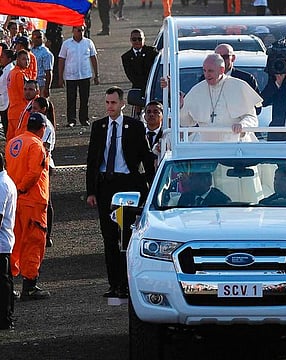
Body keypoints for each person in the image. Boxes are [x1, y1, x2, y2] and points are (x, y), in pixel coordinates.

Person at [86, 87, 152, 299]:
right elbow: (92, 161)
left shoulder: (134, 126)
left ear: (122, 104)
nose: (109, 107)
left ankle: (126, 284)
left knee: (126, 236)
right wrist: (91, 191)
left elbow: (145, 157)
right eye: (107, 102)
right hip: (106, 186)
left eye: (113, 103)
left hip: (127, 187)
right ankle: (114, 284)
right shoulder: (99, 127)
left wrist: (152, 188)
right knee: (109, 237)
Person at [5, 112, 50, 300]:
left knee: (14, 243)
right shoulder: (36, 145)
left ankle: (8, 286)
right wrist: (22, 189)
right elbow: (33, 173)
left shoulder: (13, 142)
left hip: (15, 201)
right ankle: (29, 286)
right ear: (42, 128)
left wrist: (16, 191)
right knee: (33, 242)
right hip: (31, 201)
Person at [180, 54, 262, 142]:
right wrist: (181, 108)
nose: (207, 75)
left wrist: (242, 125)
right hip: (206, 146)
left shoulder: (238, 86)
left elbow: (252, 117)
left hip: (236, 145)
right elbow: (186, 122)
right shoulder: (197, 90)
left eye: (210, 71)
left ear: (221, 70)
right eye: (204, 71)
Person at [58, 25, 99, 128]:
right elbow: (61, 60)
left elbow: (93, 58)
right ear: (73, 30)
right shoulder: (66, 44)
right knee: (71, 99)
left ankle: (84, 119)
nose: (81, 32)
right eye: (79, 30)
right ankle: (71, 120)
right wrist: (60, 77)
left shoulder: (88, 42)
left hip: (85, 75)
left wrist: (96, 75)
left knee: (84, 99)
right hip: (71, 75)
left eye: (82, 30)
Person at [32, 97, 56, 248]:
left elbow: (44, 149)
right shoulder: (35, 121)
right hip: (36, 164)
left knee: (45, 201)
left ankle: (47, 235)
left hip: (44, 165)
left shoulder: (45, 126)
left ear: (43, 109)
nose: (32, 110)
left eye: (35, 108)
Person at [0, 153, 17, 330]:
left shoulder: (2, 185)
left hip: (1, 242)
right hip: (4, 241)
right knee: (5, 282)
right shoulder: (5, 182)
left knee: (3, 284)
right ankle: (6, 316)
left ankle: (5, 318)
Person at [121, 29, 158, 99]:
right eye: (134, 39)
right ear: (131, 40)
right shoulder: (126, 57)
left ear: (144, 39)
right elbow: (130, 75)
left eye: (140, 39)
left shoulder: (152, 52)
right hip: (138, 88)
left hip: (153, 86)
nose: (137, 41)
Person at [6, 49, 30, 142]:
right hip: (21, 112)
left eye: (28, 59)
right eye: (24, 59)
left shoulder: (11, 72)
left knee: (11, 139)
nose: (27, 62)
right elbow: (25, 94)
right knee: (20, 140)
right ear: (18, 60)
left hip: (12, 111)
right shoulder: (20, 74)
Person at [144, 101, 163, 185]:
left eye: (156, 112)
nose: (151, 114)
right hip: (142, 181)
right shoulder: (138, 134)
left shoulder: (167, 135)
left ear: (162, 115)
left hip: (160, 180)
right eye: (148, 112)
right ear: (144, 116)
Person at [31, 30, 54, 98]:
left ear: (43, 38)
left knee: (41, 106)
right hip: (31, 84)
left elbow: (48, 72)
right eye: (34, 37)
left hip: (41, 84)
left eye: (39, 37)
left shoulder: (46, 53)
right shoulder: (31, 50)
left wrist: (47, 88)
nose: (36, 39)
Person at [0, 48, 15, 134]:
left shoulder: (10, 71)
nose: (0, 58)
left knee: (8, 126)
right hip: (3, 100)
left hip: (8, 101)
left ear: (9, 59)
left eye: (2, 57)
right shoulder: (5, 69)